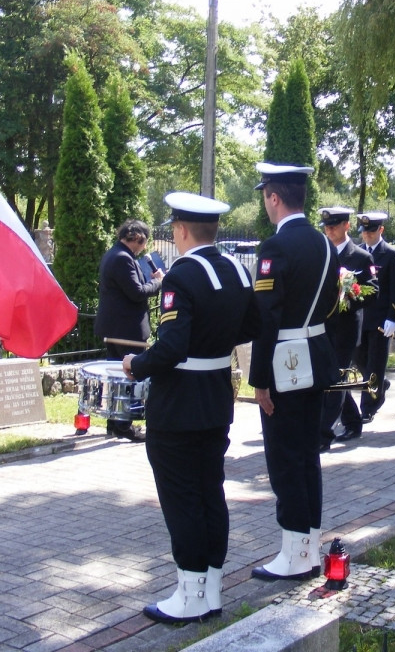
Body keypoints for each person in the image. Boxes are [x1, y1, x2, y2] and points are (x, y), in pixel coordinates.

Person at [123, 192, 260, 623]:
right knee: (210, 492)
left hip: (179, 402)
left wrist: (136, 365)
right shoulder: (237, 268)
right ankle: (212, 589)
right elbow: (253, 326)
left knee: (181, 498)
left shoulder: (181, 274)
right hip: (217, 396)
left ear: (181, 231)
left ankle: (189, 593)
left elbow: (173, 347)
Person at [249, 163, 340, 582]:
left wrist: (259, 380)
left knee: (284, 458)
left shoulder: (275, 248)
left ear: (273, 197)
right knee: (307, 456)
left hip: (285, 361)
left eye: (265, 195)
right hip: (316, 354)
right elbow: (331, 304)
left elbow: (266, 318)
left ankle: (293, 554)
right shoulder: (326, 243)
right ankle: (310, 546)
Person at [93, 219, 164, 438]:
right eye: (143, 242)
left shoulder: (114, 254)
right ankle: (124, 426)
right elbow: (137, 293)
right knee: (128, 377)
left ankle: (115, 423)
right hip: (126, 331)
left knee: (117, 377)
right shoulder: (123, 258)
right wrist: (160, 282)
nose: (143, 247)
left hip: (115, 328)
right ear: (137, 239)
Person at [317, 207, 377, 452]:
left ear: (346, 226)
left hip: (347, 327)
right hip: (323, 327)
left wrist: (350, 296)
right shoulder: (321, 254)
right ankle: (352, 420)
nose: (329, 230)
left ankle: (322, 434)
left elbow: (373, 291)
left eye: (334, 225)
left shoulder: (361, 257)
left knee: (336, 379)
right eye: (327, 227)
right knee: (331, 378)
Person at [352, 212, 395, 423]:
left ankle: (368, 407)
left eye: (371, 230)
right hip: (361, 318)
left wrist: (393, 316)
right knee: (359, 359)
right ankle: (380, 384)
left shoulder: (391, 254)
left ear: (380, 230)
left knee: (375, 364)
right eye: (364, 231)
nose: (367, 234)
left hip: (381, 320)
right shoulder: (357, 253)